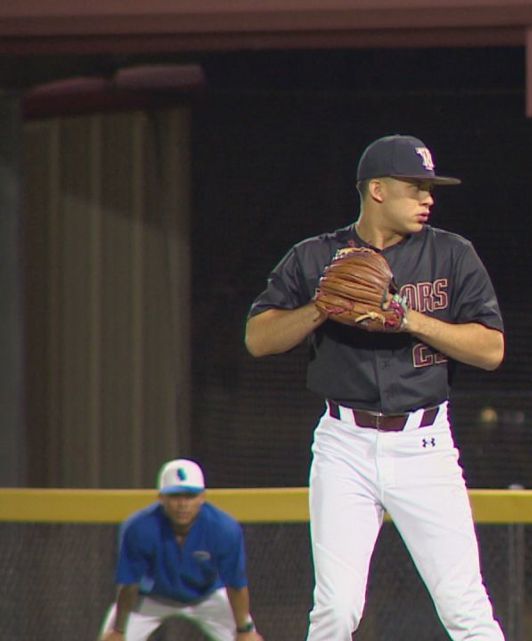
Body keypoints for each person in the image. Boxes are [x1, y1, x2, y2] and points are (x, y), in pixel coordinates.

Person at [244, 134, 507, 641]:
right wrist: (322, 307)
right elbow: (257, 338)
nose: (429, 198)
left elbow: (491, 349)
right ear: (378, 190)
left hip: (425, 444)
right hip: (345, 444)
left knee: (465, 608)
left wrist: (410, 318)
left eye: (431, 189)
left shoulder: (452, 255)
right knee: (336, 610)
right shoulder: (316, 256)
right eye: (417, 187)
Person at [98, 459, 264, 641]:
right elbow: (129, 585)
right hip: (152, 597)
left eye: (190, 496)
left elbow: (236, 585)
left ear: (202, 497)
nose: (183, 504)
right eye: (175, 496)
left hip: (207, 596)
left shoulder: (224, 528)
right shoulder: (139, 528)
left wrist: (244, 630)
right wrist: (119, 631)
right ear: (161, 497)